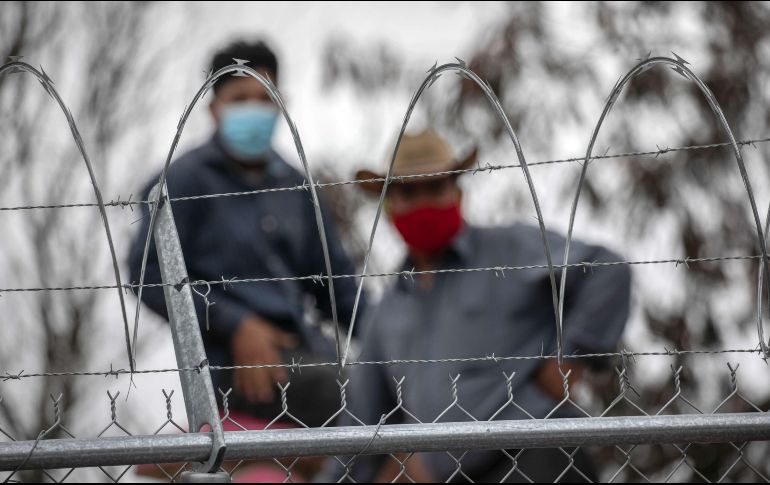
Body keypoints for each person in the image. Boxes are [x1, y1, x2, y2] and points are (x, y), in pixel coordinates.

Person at [323, 129, 631, 482]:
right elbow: (360, 429)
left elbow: (607, 271)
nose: (423, 203)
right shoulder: (387, 312)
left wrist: (573, 355)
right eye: (408, 192)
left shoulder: (508, 250)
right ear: (389, 205)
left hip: (535, 456)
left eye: (435, 188)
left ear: (457, 193)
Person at [127, 39, 359, 430]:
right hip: (229, 368)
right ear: (214, 108)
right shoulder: (181, 182)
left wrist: (401, 339)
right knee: (360, 396)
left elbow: (338, 288)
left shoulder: (297, 186)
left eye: (264, 97)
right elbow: (148, 276)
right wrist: (234, 323)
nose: (253, 108)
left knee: (392, 385)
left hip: (306, 353)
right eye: (239, 98)